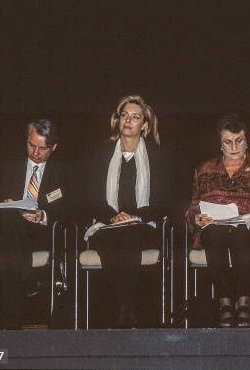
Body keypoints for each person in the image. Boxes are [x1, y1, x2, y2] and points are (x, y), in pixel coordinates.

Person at [186, 114, 250, 327]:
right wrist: (197, 218)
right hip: (214, 228)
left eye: (239, 140)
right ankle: (226, 302)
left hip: (249, 230)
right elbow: (192, 207)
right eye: (228, 142)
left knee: (240, 233)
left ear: (247, 141)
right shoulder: (203, 169)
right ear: (220, 144)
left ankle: (244, 301)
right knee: (213, 233)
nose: (234, 146)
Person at [87, 95, 172, 328]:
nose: (128, 121)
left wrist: (137, 216)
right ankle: (127, 305)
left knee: (130, 236)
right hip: (107, 224)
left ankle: (124, 306)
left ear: (144, 125)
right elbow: (89, 196)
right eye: (124, 115)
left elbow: (166, 200)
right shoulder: (101, 154)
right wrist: (112, 217)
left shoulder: (158, 157)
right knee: (112, 239)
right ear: (117, 120)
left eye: (135, 117)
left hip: (143, 224)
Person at [0, 119, 68, 330]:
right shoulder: (7, 167)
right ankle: (27, 282)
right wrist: (2, 205)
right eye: (31, 145)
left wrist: (43, 215)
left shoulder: (63, 171)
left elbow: (69, 209)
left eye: (42, 148)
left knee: (11, 243)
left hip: (44, 233)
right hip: (11, 233)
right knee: (9, 220)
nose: (35, 152)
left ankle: (12, 317)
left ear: (54, 147)